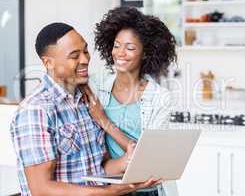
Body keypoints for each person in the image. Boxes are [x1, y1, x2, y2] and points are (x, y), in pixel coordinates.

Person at [10, 22, 160, 196]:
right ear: (49, 63)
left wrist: (131, 164)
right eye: (75, 55)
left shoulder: (88, 102)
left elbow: (99, 167)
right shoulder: (36, 110)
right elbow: (41, 189)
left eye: (86, 51)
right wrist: (114, 191)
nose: (85, 59)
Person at [82, 6, 178, 196]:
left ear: (145, 53)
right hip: (110, 188)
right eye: (116, 45)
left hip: (147, 190)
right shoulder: (96, 85)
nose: (120, 53)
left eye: (130, 47)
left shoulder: (160, 98)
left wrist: (104, 122)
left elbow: (147, 156)